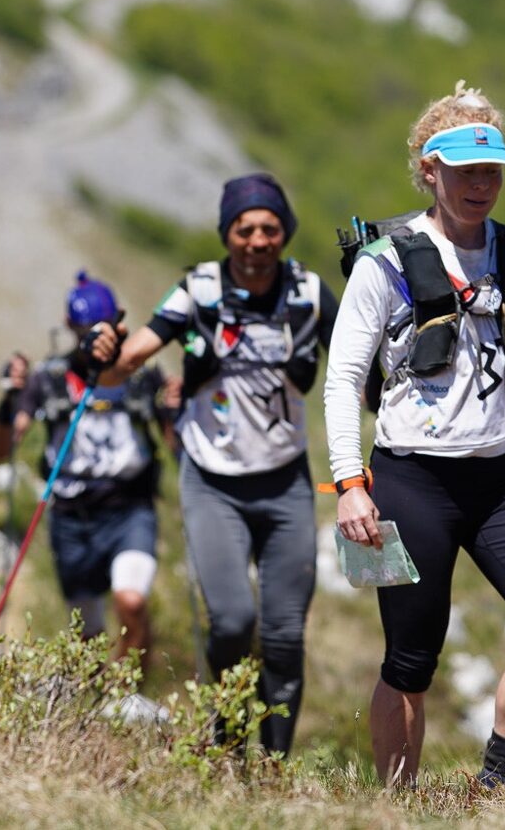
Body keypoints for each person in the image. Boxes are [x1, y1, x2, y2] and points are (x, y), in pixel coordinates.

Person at [324, 83, 505, 789]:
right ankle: (397, 802)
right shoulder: (385, 261)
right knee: (410, 657)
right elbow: (342, 379)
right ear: (429, 170)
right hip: (409, 481)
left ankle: (495, 785)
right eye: (465, 170)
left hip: (502, 477)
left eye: (491, 170)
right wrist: (349, 484)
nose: (481, 185)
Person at [88, 173, 338, 756]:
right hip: (212, 485)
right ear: (227, 234)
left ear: (286, 233)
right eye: (244, 228)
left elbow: (361, 361)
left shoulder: (306, 291)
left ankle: (273, 765)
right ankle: (226, 749)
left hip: (286, 484)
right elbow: (126, 360)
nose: (257, 240)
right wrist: (103, 352)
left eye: (270, 228)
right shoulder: (197, 290)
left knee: (282, 635)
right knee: (229, 621)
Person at [10, 272, 175, 675]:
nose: (92, 337)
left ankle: (130, 696)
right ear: (70, 327)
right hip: (71, 516)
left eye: (99, 328)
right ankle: (97, 712)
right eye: (84, 330)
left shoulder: (142, 376)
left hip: (129, 508)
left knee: (131, 602)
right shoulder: (48, 379)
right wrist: (8, 401)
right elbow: (6, 443)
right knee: (87, 632)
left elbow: (175, 444)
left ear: (119, 323)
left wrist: (176, 408)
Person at [0, 351, 30, 463]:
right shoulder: (6, 406)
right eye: (14, 370)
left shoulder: (34, 395)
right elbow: (0, 453)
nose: (19, 374)